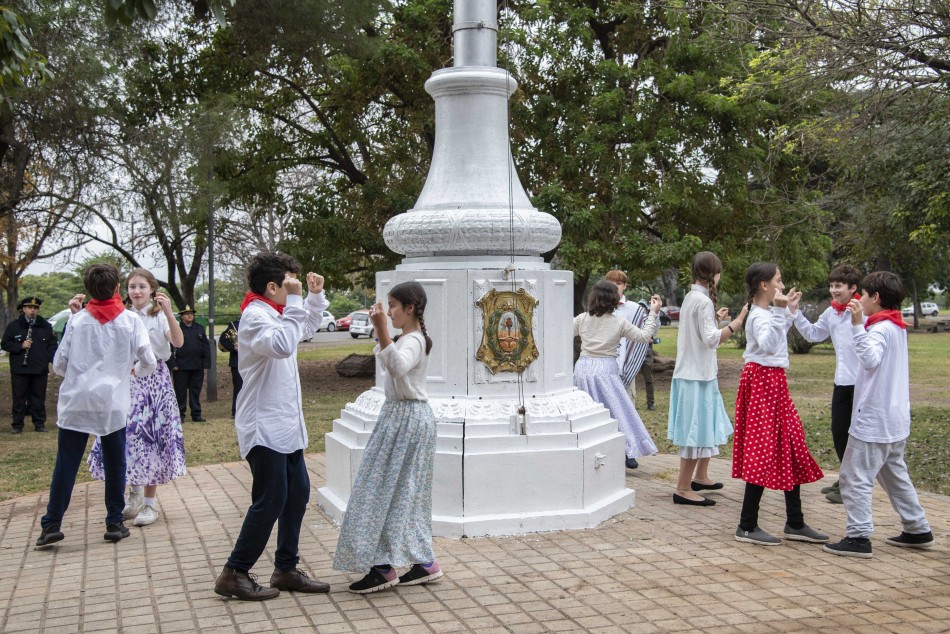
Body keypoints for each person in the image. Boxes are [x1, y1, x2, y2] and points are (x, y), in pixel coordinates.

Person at [213, 252, 330, 601]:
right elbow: (281, 345)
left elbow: (302, 329)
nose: (292, 288)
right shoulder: (254, 317)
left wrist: (311, 297)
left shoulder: (277, 313)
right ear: (272, 287)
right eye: (289, 283)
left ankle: (286, 569)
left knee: (297, 494)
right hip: (263, 424)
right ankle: (234, 571)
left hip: (285, 424)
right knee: (271, 497)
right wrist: (296, 301)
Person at [33, 264, 157, 548]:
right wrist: (134, 369)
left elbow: (60, 365)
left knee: (66, 464)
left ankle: (51, 524)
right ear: (117, 288)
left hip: (76, 402)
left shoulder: (77, 321)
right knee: (116, 463)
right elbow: (149, 360)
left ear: (88, 290)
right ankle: (114, 521)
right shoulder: (130, 321)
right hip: (112, 403)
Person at [334, 281, 441, 594]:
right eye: (388, 307)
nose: (390, 312)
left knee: (382, 491)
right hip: (400, 418)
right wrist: (383, 330)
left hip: (407, 419)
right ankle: (422, 562)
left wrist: (380, 328)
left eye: (393, 306)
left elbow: (397, 367)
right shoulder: (408, 338)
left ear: (410, 308)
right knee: (395, 491)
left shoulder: (415, 340)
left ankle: (383, 567)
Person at [824, 272, 935, 558]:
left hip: (874, 419)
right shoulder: (896, 327)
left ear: (875, 297)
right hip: (894, 418)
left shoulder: (881, 328)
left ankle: (858, 536)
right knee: (894, 474)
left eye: (862, 293)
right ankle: (917, 527)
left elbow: (869, 359)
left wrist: (858, 325)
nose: (858, 298)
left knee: (853, 476)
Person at [732, 262, 827, 546]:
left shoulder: (765, 313)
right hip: (763, 382)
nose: (782, 286)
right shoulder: (758, 315)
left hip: (773, 382)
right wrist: (779, 311)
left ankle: (794, 522)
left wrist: (789, 312)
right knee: (764, 449)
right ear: (765, 285)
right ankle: (747, 525)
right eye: (779, 280)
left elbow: (775, 338)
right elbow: (770, 344)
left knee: (790, 444)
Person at [87, 269, 186, 528]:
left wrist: (168, 312)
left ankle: (150, 503)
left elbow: (178, 341)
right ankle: (134, 494)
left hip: (155, 382)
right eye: (132, 286)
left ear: (152, 289)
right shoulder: (123, 316)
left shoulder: (158, 316)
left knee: (152, 438)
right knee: (129, 439)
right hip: (128, 379)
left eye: (142, 286)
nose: (137, 291)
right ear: (125, 290)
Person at [668, 252, 747, 506]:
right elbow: (711, 339)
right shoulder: (701, 301)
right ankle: (682, 488)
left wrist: (717, 320)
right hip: (696, 376)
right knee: (696, 429)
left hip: (698, 373)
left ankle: (700, 476)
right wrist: (736, 323)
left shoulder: (693, 297)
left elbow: (704, 332)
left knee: (706, 425)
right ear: (714, 274)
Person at [789, 264, 862, 504]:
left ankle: (851, 483)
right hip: (841, 382)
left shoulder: (862, 312)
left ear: (853, 288)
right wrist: (795, 312)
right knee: (839, 432)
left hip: (862, 384)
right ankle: (847, 477)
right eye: (831, 286)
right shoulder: (832, 313)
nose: (833, 290)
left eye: (838, 286)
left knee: (855, 435)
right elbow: (813, 334)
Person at [574, 280, 662, 469]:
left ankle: (586, 453)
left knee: (584, 416)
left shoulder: (582, 319)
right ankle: (625, 451)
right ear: (614, 299)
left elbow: (560, 333)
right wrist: (653, 313)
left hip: (582, 370)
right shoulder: (618, 322)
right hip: (606, 370)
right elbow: (645, 336)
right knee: (617, 414)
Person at [2, 296, 57, 433]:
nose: (33, 310)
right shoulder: (14, 326)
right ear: (24, 309)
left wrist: (47, 359)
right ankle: (17, 425)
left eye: (35, 308)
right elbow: (5, 344)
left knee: (38, 397)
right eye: (30, 308)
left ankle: (39, 423)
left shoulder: (45, 326)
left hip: (39, 368)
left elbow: (52, 345)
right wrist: (20, 345)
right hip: (20, 369)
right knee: (19, 397)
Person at [604, 270, 653, 412]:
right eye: (611, 283)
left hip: (626, 364)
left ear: (624, 286)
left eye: (618, 283)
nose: (615, 286)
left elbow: (648, 333)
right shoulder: (600, 308)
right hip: (604, 367)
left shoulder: (634, 309)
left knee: (627, 409)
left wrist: (654, 313)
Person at [167, 306, 210, 422]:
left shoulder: (199, 328)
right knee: (180, 391)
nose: (190, 315)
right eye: (187, 314)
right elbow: (169, 347)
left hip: (197, 365)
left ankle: (196, 414)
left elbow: (205, 347)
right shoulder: (176, 328)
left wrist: (205, 363)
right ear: (181, 316)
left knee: (195, 391)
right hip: (180, 366)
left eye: (191, 313)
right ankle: (180, 414)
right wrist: (172, 363)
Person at [218, 318, 242, 417]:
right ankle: (236, 412)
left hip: (254, 362)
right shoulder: (234, 324)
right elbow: (222, 340)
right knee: (239, 388)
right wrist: (233, 347)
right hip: (237, 363)